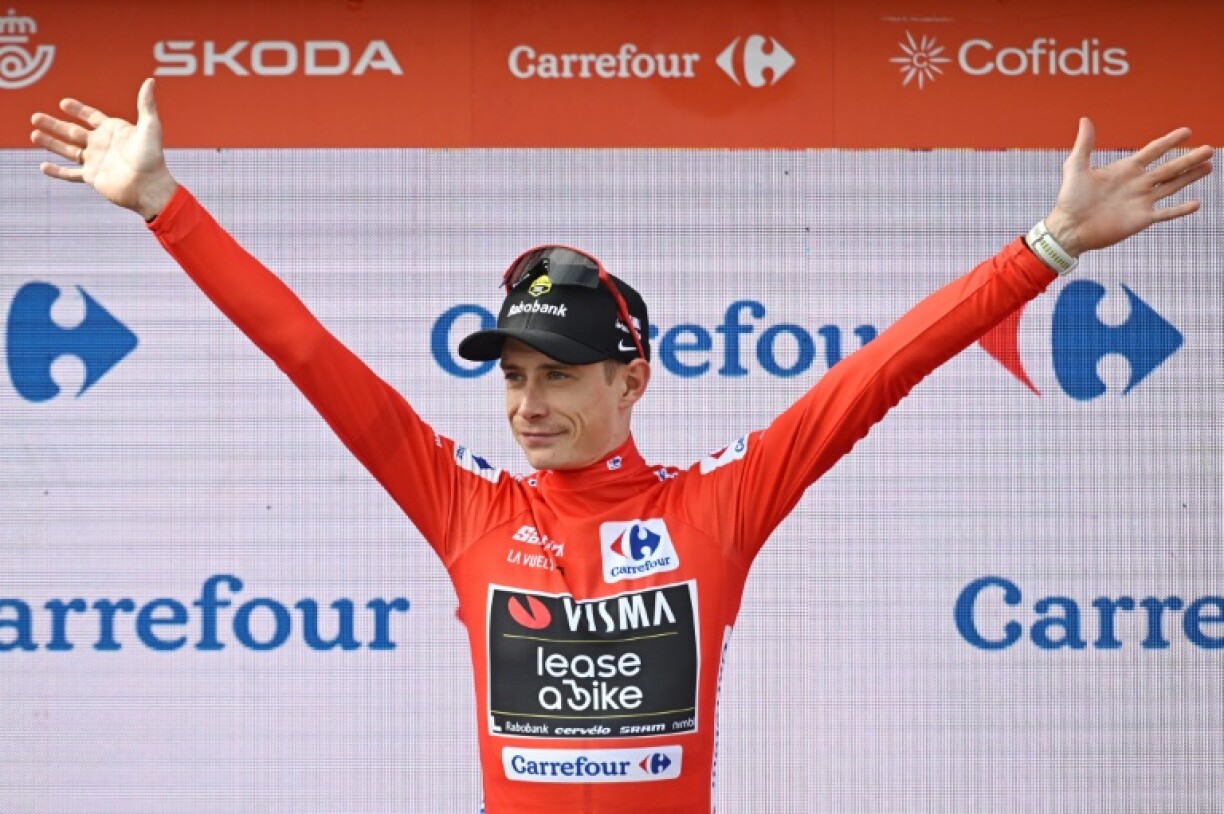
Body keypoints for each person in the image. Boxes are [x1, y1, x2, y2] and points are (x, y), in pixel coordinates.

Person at [29, 78, 1213, 814]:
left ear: (631, 377)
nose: (527, 404)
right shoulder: (471, 508)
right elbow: (307, 354)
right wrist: (165, 206)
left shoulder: (717, 506)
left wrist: (1049, 244)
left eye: (558, 376)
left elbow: (879, 371)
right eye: (512, 376)